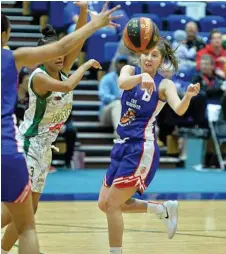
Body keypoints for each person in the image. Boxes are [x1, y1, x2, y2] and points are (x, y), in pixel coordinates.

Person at [1, 3, 121, 253]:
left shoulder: (63, 71)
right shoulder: (39, 77)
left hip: (44, 149)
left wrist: (86, 12)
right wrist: (86, 66)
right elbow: (67, 87)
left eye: (61, 55)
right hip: (28, 144)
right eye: (54, 53)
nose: (59, 57)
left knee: (28, 211)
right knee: (19, 212)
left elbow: (73, 41)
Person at [97, 38, 200, 254]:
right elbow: (122, 83)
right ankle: (161, 209)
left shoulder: (165, 84)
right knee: (104, 203)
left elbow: (179, 109)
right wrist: (141, 77)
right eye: (146, 54)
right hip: (121, 145)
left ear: (162, 61)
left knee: (112, 205)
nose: (149, 59)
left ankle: (115, 252)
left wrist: (188, 96)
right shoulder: (129, 69)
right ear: (139, 55)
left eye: (155, 55)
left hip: (141, 148)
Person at [99, 55, 128, 136]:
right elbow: (103, 96)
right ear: (115, 65)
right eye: (120, 63)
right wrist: (116, 98)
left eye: (124, 64)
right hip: (106, 113)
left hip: (126, 114)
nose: (122, 65)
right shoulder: (107, 78)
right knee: (118, 103)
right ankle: (119, 133)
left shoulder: (131, 80)